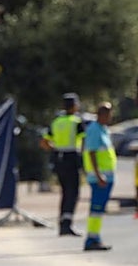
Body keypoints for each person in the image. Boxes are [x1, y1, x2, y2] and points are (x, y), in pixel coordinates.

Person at [41, 93, 85, 236]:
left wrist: (54, 149)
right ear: (74, 106)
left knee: (65, 191)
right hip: (72, 158)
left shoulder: (56, 122)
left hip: (59, 160)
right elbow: (84, 141)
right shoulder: (76, 122)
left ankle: (63, 223)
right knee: (73, 192)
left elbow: (43, 142)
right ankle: (67, 224)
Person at [82, 102, 116, 251]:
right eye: (108, 113)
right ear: (101, 114)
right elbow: (92, 153)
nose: (110, 116)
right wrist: (98, 175)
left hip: (107, 177)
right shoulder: (94, 130)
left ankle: (95, 236)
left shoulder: (104, 129)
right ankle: (91, 239)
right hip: (99, 178)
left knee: (99, 209)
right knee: (96, 208)